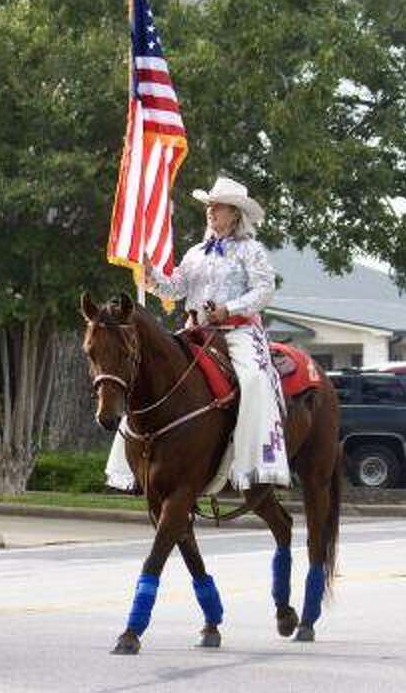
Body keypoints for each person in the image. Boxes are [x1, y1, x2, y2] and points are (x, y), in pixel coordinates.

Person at [105, 176, 289, 492]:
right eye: (209, 206)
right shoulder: (196, 253)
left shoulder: (251, 250)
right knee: (144, 373)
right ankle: (130, 465)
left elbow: (264, 289)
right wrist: (151, 277)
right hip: (197, 330)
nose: (211, 211)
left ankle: (257, 463)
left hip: (237, 332)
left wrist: (229, 309)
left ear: (235, 214)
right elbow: (176, 288)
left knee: (256, 380)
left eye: (217, 207)